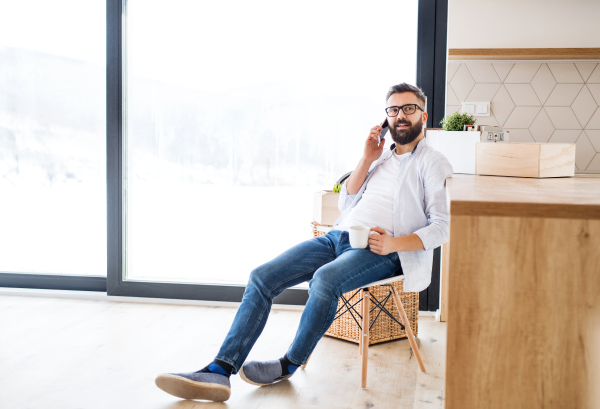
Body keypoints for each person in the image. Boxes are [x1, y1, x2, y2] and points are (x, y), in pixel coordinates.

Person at [155, 83, 453, 402]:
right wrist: (366, 158)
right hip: (339, 236)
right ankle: (219, 370)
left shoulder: (433, 163)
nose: (400, 116)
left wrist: (394, 244)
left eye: (408, 108)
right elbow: (346, 203)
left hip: (383, 250)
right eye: (393, 110)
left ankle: (288, 364)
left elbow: (443, 227)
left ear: (423, 115)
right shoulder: (381, 158)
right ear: (386, 120)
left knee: (324, 281)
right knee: (261, 277)